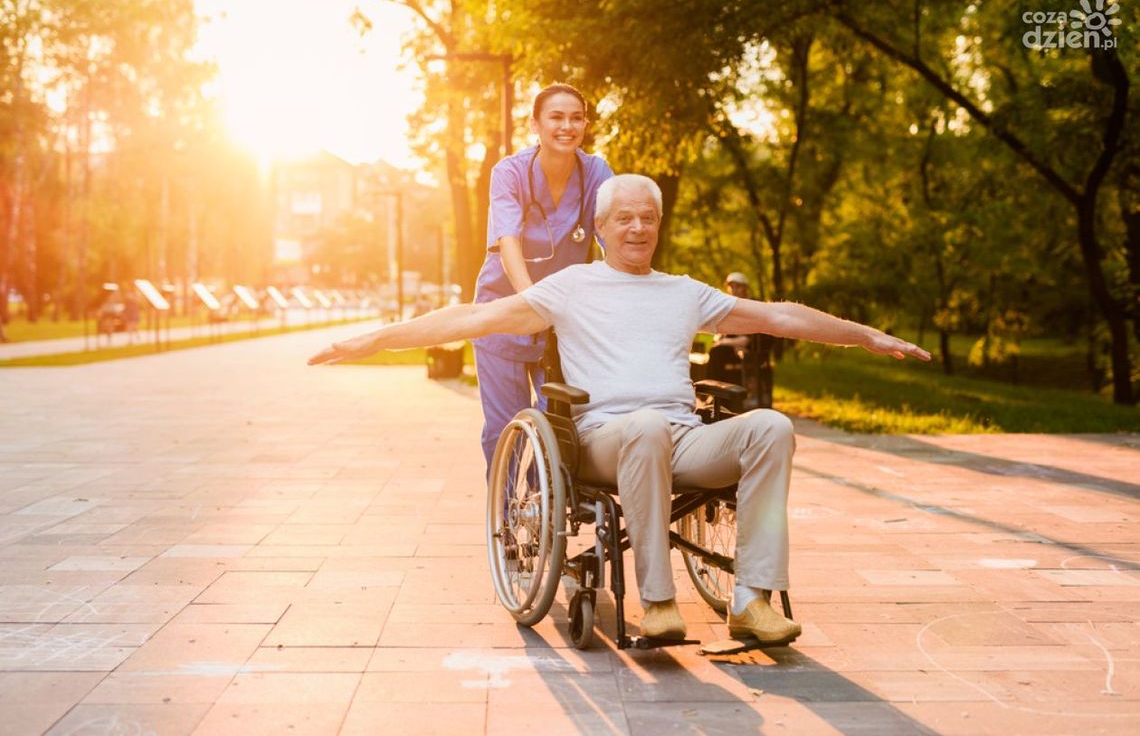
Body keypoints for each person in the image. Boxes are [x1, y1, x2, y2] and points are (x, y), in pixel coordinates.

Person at [309, 174, 930, 643]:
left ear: (659, 225)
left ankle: (752, 599)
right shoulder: (570, 288)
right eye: (625, 218)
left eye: (648, 218)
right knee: (645, 427)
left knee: (770, 426)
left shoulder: (684, 293)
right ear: (601, 228)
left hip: (681, 436)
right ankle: (658, 603)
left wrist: (866, 336)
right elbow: (471, 318)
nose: (638, 228)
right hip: (605, 438)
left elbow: (778, 316)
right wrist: (371, 340)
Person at [472, 83, 613, 472]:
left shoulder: (596, 172)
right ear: (535, 124)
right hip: (504, 309)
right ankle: (505, 506)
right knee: (504, 428)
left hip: (562, 316)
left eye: (576, 118)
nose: (567, 126)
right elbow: (508, 240)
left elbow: (612, 236)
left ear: (585, 124)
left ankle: (541, 501)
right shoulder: (510, 173)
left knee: (558, 424)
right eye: (556, 117)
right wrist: (531, 301)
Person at [713, 271, 774, 408]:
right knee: (715, 353)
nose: (734, 290)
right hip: (734, 351)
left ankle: (716, 395)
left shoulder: (752, 306)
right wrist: (724, 341)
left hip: (751, 352)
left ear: (745, 288)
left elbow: (746, 340)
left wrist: (723, 342)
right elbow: (723, 333)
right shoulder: (729, 308)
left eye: (738, 286)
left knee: (717, 352)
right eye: (731, 286)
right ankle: (718, 397)